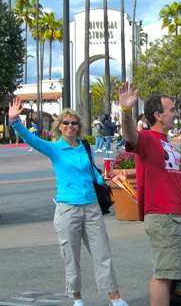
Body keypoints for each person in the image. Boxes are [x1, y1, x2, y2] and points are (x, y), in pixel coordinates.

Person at [8, 97, 128, 306]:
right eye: (66, 123)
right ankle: (77, 299)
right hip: (67, 208)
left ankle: (115, 299)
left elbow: (93, 174)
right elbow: (30, 138)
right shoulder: (54, 149)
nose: (70, 126)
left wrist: (108, 178)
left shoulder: (85, 146)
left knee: (103, 254)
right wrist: (15, 121)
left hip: (91, 207)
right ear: (60, 127)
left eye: (74, 123)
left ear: (79, 126)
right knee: (71, 256)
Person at [118, 81, 181, 306]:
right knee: (163, 276)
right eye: (172, 110)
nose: (176, 113)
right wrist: (126, 110)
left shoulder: (168, 143)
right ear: (158, 115)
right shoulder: (147, 139)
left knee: (165, 273)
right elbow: (130, 134)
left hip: (174, 216)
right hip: (163, 215)